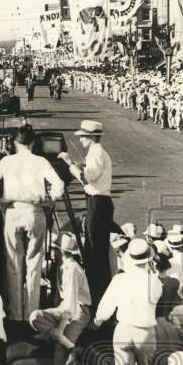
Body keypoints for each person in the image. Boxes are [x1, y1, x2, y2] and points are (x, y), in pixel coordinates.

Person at [0, 125, 64, 321]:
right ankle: (32, 313)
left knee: (13, 264)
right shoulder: (41, 161)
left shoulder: (7, 161)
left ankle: (17, 314)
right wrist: (50, 200)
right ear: (33, 142)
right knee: (34, 263)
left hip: (13, 211)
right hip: (34, 211)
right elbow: (59, 185)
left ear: (16, 143)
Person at [92, 238, 162, 365]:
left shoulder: (120, 280)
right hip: (146, 332)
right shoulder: (155, 282)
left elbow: (105, 309)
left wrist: (96, 323)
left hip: (124, 330)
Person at [28, 233, 91, 365]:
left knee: (60, 347)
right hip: (64, 308)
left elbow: (71, 303)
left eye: (55, 249)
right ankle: (68, 344)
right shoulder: (63, 266)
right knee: (35, 316)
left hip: (79, 311)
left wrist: (61, 328)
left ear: (61, 251)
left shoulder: (73, 270)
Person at [59, 120, 114, 304]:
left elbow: (86, 179)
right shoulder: (95, 152)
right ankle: (99, 292)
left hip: (98, 201)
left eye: (82, 136)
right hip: (97, 201)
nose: (80, 140)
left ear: (90, 137)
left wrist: (69, 164)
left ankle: (98, 293)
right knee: (96, 247)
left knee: (95, 249)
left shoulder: (96, 152)